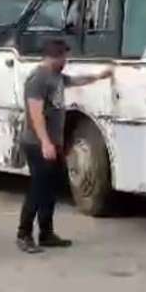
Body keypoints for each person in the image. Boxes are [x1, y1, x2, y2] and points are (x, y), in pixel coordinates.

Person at [17, 39, 113, 254]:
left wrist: (99, 77)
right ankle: (23, 235)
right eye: (64, 57)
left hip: (54, 143)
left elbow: (75, 81)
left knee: (51, 189)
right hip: (37, 143)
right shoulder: (38, 78)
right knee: (38, 190)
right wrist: (45, 143)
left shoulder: (56, 76)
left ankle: (46, 233)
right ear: (54, 56)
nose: (66, 62)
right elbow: (35, 114)